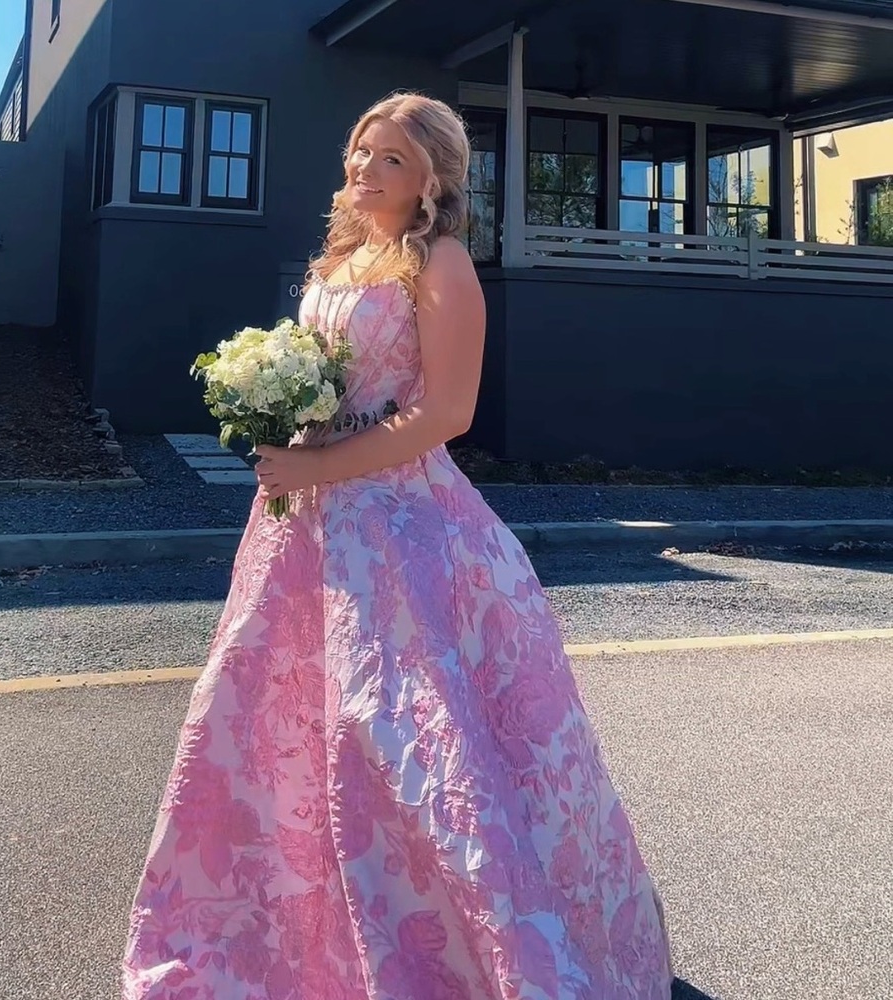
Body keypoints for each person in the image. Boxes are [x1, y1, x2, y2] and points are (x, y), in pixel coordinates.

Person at [121, 91, 673, 1000]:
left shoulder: (442, 263)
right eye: (359, 151)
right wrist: (285, 424)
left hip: (404, 525)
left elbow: (446, 413)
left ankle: (457, 946)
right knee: (277, 719)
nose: (363, 172)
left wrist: (323, 462)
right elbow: (324, 379)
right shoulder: (340, 258)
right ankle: (284, 932)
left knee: (403, 733)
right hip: (306, 525)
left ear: (430, 183)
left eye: (389, 161)